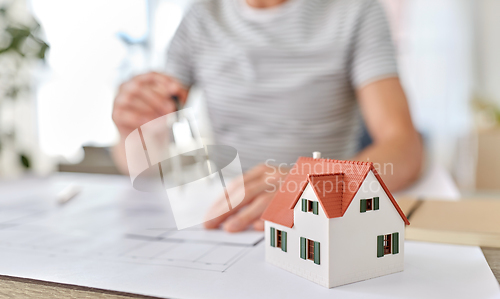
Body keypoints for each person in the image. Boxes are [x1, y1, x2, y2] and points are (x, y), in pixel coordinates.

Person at [112, 0, 423, 233]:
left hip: (319, 215)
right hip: (227, 214)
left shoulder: (356, 10)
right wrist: (134, 133)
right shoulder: (200, 17)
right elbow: (141, 167)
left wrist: (314, 185)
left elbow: (404, 148)